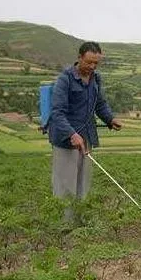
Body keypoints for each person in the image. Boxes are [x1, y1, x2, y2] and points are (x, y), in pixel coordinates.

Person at [48, 41, 122, 206]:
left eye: (96, 63)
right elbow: (57, 112)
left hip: (86, 138)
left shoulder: (96, 78)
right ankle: (64, 227)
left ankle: (80, 228)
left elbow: (100, 104)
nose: (92, 66)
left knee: (83, 184)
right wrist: (72, 134)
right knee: (65, 187)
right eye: (89, 62)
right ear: (79, 58)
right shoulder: (65, 79)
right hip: (66, 141)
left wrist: (110, 119)